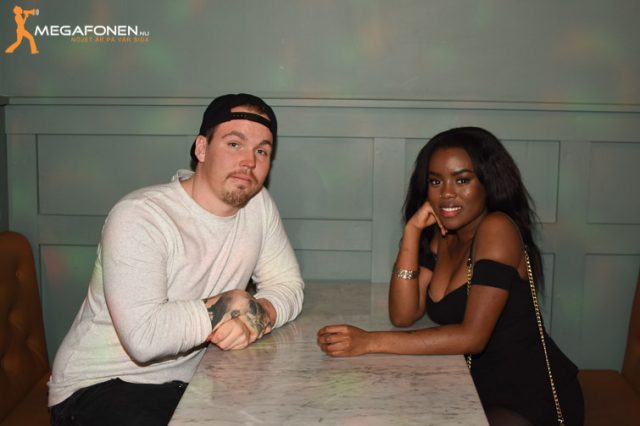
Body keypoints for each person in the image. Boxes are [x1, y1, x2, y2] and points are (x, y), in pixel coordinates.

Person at [49, 93, 305, 425]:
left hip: (189, 383)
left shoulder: (258, 206)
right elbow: (144, 338)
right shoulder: (141, 216)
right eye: (234, 144)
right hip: (98, 386)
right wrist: (232, 304)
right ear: (202, 149)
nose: (249, 162)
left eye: (261, 151)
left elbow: (288, 286)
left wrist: (257, 318)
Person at [317, 127, 584, 425]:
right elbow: (403, 314)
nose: (446, 193)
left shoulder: (497, 229)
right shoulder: (442, 237)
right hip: (470, 386)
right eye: (435, 181)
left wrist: (369, 342)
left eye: (462, 180)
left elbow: (473, 337)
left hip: (526, 394)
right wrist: (411, 232)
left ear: (488, 183)